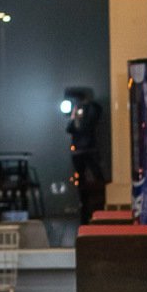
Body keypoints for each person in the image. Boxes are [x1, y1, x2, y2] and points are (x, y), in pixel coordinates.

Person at [65, 88, 107, 224]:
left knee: (97, 178)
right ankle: (85, 208)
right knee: (81, 181)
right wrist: (74, 116)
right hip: (79, 150)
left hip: (89, 149)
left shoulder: (91, 108)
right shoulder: (77, 111)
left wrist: (82, 112)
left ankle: (99, 206)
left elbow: (87, 125)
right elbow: (70, 128)